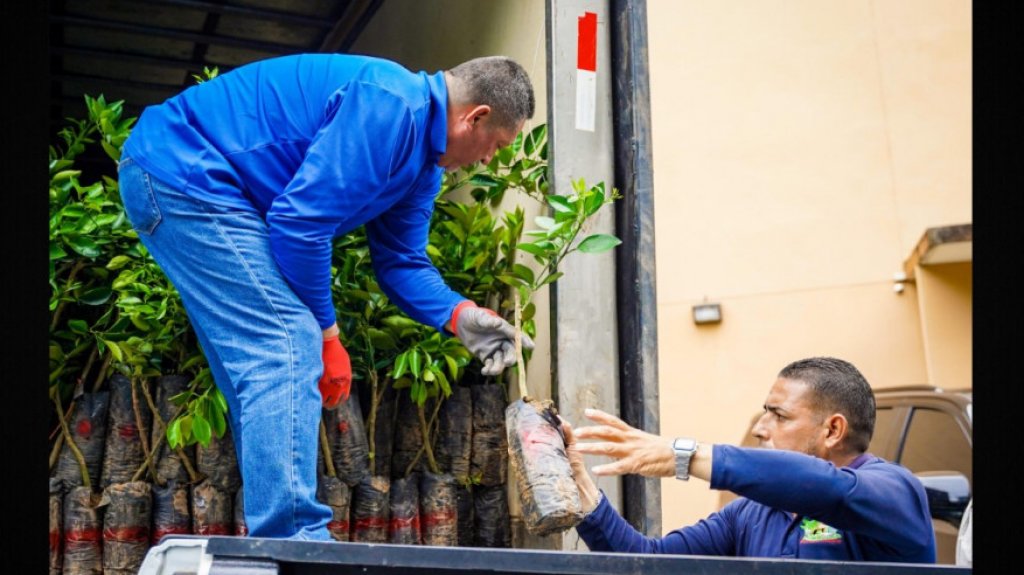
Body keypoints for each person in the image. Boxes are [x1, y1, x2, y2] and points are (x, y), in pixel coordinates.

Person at [117, 53, 535, 541]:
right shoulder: (391, 104)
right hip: (182, 171)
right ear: (476, 117)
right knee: (289, 344)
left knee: (262, 372)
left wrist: (459, 314)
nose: (489, 160)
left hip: (192, 182)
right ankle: (295, 540)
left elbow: (402, 263)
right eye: (496, 146)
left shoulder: (423, 166)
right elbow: (298, 226)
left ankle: (276, 535)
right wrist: (328, 336)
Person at [563, 356, 936, 563]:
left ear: (833, 431)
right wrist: (579, 486)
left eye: (780, 415)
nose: (760, 428)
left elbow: (827, 488)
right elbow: (648, 560)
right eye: (764, 413)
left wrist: (684, 456)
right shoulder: (749, 514)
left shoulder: (895, 492)